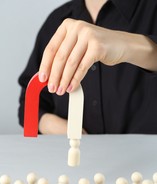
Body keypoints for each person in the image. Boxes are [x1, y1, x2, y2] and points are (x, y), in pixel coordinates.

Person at [18, 0, 157, 135]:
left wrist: (129, 45)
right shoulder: (56, 21)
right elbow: (29, 101)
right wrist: (48, 123)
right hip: (69, 155)